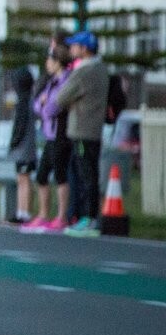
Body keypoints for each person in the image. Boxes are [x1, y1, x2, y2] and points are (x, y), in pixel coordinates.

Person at [53, 30, 111, 234]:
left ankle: (89, 219)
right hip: (94, 130)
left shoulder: (84, 71)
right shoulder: (101, 69)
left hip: (82, 130)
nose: (71, 49)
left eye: (75, 45)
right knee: (90, 173)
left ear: (84, 48)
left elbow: (61, 97)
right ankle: (88, 217)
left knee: (86, 176)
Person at [23, 46, 73, 232]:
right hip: (49, 135)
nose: (47, 64)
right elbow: (38, 105)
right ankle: (43, 215)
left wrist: (44, 106)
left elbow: (53, 107)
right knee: (42, 175)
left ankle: (61, 216)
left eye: (50, 60)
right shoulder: (52, 81)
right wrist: (43, 105)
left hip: (61, 134)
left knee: (60, 175)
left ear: (58, 62)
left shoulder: (66, 81)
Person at [7, 60, 40, 225]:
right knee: (22, 179)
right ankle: (21, 211)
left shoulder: (24, 102)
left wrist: (13, 142)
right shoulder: (29, 100)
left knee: (24, 179)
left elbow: (19, 127)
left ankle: (24, 212)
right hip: (27, 147)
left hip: (23, 148)